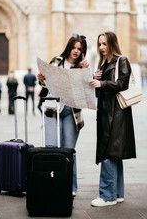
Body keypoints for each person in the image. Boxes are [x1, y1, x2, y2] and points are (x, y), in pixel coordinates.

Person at [37, 34, 89, 196]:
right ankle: (52, 183)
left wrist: (87, 71)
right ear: (69, 47)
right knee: (51, 148)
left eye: (79, 49)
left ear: (82, 51)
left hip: (72, 111)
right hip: (53, 109)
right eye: (74, 47)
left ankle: (71, 187)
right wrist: (41, 79)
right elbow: (46, 83)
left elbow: (88, 89)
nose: (76, 51)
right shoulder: (57, 61)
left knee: (69, 150)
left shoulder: (82, 66)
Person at [89, 31, 136, 207]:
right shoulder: (104, 64)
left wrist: (102, 83)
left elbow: (123, 84)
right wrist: (96, 80)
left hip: (116, 114)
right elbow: (101, 92)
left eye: (105, 44)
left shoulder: (120, 60)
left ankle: (107, 195)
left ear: (112, 44)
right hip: (106, 112)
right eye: (99, 44)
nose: (101, 47)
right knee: (114, 154)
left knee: (108, 152)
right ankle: (118, 193)